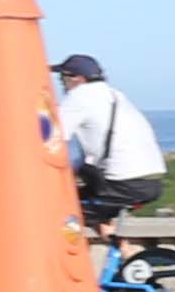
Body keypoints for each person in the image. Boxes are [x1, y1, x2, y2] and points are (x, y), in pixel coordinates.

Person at [52, 54, 164, 235]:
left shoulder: (79, 97)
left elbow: (52, 138)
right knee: (87, 205)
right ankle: (123, 250)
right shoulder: (115, 95)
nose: (61, 84)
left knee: (60, 210)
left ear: (76, 79)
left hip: (124, 183)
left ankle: (115, 247)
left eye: (62, 78)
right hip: (150, 180)